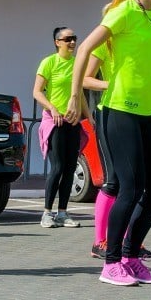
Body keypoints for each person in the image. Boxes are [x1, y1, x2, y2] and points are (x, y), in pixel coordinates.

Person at [65, 0, 151, 286]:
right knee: (130, 186)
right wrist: (74, 96)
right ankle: (110, 263)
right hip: (118, 110)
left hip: (149, 111)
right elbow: (83, 50)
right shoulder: (121, 12)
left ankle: (131, 255)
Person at [83, 37, 151, 260]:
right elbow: (86, 80)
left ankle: (127, 240)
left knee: (132, 183)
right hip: (109, 112)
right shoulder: (105, 45)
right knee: (112, 181)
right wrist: (111, 84)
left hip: (133, 112)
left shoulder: (136, 45)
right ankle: (99, 242)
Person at [34, 26, 89, 229]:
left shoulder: (77, 64)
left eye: (74, 38)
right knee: (57, 167)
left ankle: (63, 212)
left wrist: (89, 117)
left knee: (69, 168)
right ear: (58, 42)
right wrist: (53, 109)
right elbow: (37, 92)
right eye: (68, 39)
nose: (72, 42)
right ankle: (47, 213)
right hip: (54, 121)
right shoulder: (49, 62)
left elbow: (80, 94)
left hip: (72, 122)